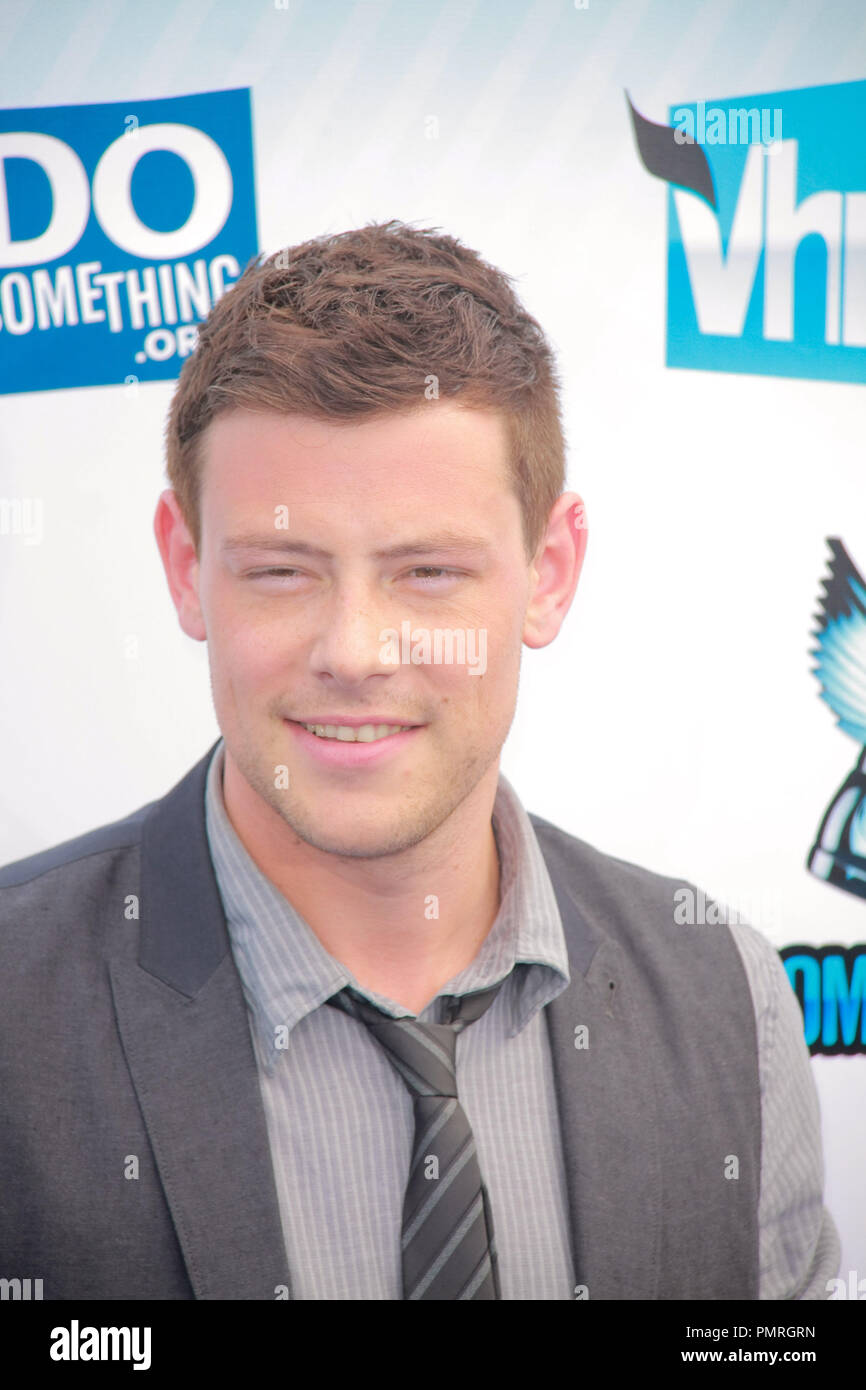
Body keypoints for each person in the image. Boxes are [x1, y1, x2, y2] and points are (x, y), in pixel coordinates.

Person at [0, 220, 839, 1300]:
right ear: (185, 565)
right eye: (282, 571)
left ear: (547, 573)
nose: (355, 652)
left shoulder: (726, 998)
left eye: (429, 571)